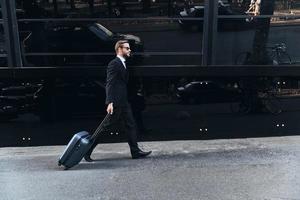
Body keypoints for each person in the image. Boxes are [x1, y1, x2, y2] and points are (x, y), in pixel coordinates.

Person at [84, 40, 152, 162]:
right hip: (116, 102)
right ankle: (87, 150)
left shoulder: (123, 63)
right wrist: (110, 102)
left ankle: (135, 152)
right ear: (120, 49)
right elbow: (110, 83)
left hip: (123, 101)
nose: (129, 50)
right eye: (127, 48)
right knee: (105, 127)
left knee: (130, 125)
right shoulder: (114, 64)